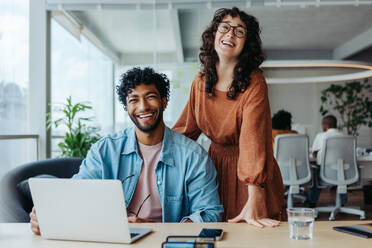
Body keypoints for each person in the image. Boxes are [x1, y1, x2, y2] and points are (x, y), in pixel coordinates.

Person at [30, 67, 223, 235]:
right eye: (134, 99)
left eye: (150, 97)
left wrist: (155, 229)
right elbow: (77, 194)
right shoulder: (105, 150)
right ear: (127, 106)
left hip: (165, 242)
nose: (143, 106)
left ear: (164, 102)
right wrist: (48, 214)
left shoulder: (193, 156)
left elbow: (210, 213)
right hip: (113, 239)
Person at [173, 7, 286, 228]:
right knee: (217, 234)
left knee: (253, 234)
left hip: (251, 175)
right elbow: (185, 132)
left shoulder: (255, 82)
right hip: (213, 169)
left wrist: (254, 196)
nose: (230, 34)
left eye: (239, 31)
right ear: (214, 34)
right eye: (224, 27)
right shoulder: (200, 81)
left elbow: (253, 141)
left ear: (247, 43)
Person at [307, 115, 345, 207]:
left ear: (326, 125)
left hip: (325, 173)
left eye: (322, 125)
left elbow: (314, 153)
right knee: (341, 177)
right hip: (344, 173)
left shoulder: (320, 136)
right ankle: (342, 202)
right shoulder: (344, 136)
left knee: (315, 173)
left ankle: (312, 202)